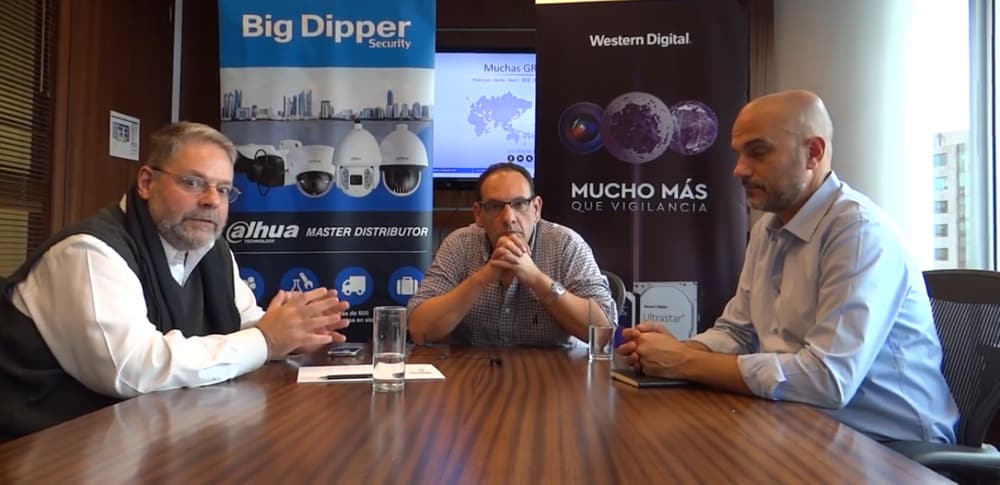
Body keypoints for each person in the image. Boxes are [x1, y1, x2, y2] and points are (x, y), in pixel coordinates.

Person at [619, 90, 959, 443]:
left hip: (889, 446)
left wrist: (684, 363)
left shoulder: (859, 233)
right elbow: (738, 333)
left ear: (813, 153)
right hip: (800, 424)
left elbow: (828, 380)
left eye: (758, 152)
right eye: (739, 154)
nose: (739, 169)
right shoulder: (768, 227)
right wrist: (673, 350)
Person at [0, 122, 350, 440]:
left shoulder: (211, 249)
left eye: (224, 190)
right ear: (146, 183)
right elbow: (133, 369)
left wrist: (290, 335)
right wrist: (266, 340)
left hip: (144, 440)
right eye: (193, 182)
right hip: (44, 449)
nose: (211, 200)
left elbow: (244, 324)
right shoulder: (88, 252)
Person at [408, 162, 615, 347]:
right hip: (474, 371)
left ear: (536, 209)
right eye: (495, 206)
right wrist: (481, 279)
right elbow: (419, 330)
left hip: (554, 372)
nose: (508, 218)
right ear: (478, 214)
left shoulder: (566, 244)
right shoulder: (459, 244)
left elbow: (602, 332)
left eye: (519, 204)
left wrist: (537, 279)